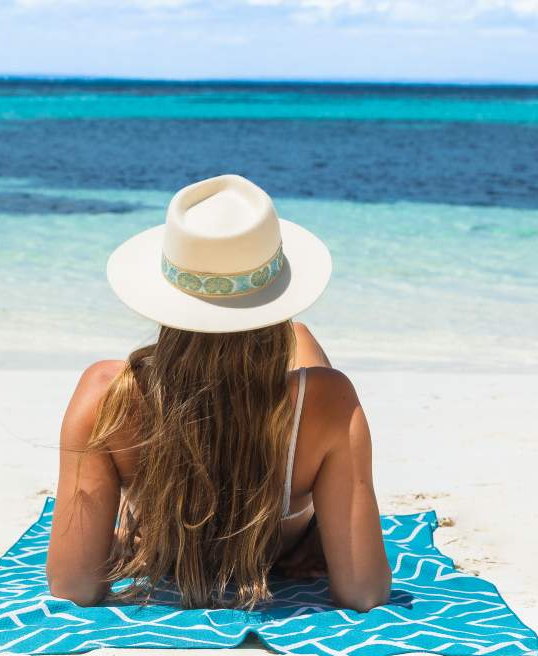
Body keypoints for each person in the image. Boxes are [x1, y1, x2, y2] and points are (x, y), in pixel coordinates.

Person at [46, 175, 392, 612]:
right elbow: (364, 592)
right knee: (303, 350)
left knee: (287, 351)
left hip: (168, 539)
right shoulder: (329, 401)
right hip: (282, 547)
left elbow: (73, 585)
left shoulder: (105, 395)